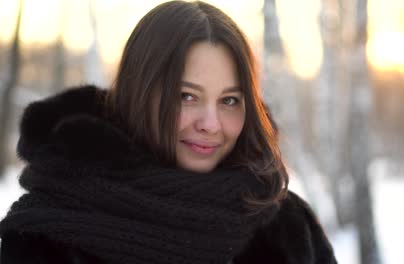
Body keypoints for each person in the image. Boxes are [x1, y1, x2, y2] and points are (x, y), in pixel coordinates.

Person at [0, 1, 337, 263]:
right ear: (138, 93)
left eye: (230, 100)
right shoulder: (49, 237)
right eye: (186, 96)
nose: (210, 123)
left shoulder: (285, 226)